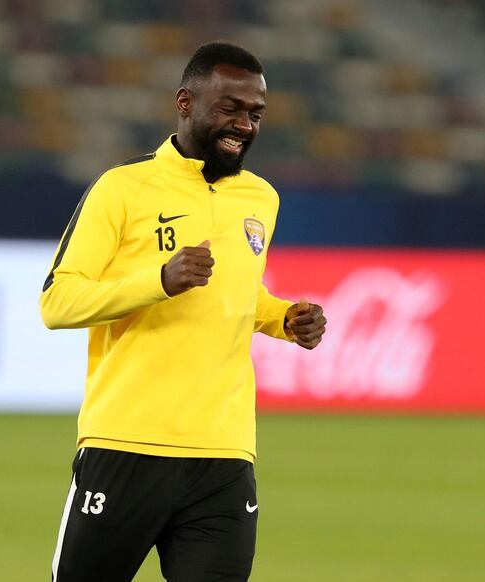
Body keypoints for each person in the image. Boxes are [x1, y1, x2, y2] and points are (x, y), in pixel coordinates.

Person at [40, 41, 327, 582]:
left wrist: (284, 318)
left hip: (223, 455)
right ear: (186, 102)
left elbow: (239, 294)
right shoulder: (122, 188)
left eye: (256, 113)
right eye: (231, 108)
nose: (244, 124)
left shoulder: (261, 198)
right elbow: (57, 302)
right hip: (125, 444)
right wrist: (160, 280)